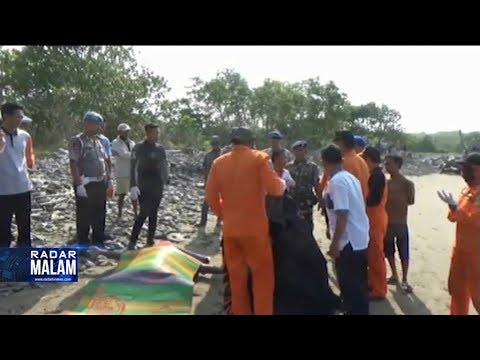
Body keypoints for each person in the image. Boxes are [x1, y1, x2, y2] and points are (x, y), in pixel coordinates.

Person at [206, 127, 286, 315]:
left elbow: (210, 197)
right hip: (255, 232)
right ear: (251, 142)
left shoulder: (218, 163)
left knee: (237, 283)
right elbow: (273, 188)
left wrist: (225, 215)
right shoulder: (260, 158)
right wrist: (282, 183)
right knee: (263, 281)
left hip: (231, 231)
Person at [322, 144, 370, 315]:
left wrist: (335, 243)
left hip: (348, 242)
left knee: (351, 288)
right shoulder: (350, 178)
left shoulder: (337, 182)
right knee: (358, 287)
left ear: (325, 163)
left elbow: (343, 214)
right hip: (359, 239)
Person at [437, 152, 480, 315]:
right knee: (456, 287)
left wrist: (456, 208)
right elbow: (454, 217)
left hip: (476, 252)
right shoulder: (467, 189)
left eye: (466, 168)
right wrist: (453, 207)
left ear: (477, 170)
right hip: (461, 249)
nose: (463, 172)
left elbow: (475, 220)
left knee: (477, 293)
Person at [68, 111, 114, 248]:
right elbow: (73, 163)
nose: (99, 128)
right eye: (97, 125)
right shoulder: (78, 141)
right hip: (86, 183)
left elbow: (105, 160)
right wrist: (79, 184)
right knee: (84, 214)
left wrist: (109, 179)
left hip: (100, 182)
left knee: (100, 212)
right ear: (88, 124)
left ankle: (98, 239)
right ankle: (83, 241)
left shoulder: (99, 141)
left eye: (100, 125)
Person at [128, 124, 169, 250]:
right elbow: (132, 166)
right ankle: (132, 241)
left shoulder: (160, 148)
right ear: (148, 133)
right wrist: (133, 185)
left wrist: (166, 177)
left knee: (154, 213)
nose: (157, 135)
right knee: (143, 212)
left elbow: (164, 164)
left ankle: (150, 240)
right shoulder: (139, 147)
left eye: (158, 133)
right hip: (143, 185)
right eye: (155, 133)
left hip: (157, 184)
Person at [0, 102, 35, 248]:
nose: (20, 120)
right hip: (3, 190)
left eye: (22, 117)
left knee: (25, 226)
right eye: (18, 116)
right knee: (3, 229)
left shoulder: (25, 136)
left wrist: (32, 166)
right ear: (7, 116)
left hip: (23, 187)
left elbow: (30, 156)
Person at [384, 155, 415, 293]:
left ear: (398, 165)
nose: (386, 166)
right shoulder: (385, 183)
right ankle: (395, 274)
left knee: (403, 251)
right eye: (386, 164)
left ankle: (405, 278)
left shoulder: (407, 183)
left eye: (389, 164)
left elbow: (411, 201)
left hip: (400, 222)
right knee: (389, 249)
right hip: (387, 221)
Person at [361, 146, 388, 300]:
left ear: (369, 160)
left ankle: (380, 289)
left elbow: (373, 200)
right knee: (371, 255)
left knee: (376, 256)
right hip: (373, 218)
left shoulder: (377, 176)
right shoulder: (374, 174)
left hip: (375, 220)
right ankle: (373, 283)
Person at [286, 141, 321, 232]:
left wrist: (321, 201)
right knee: (292, 228)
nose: (300, 152)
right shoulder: (288, 167)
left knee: (307, 228)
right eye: (298, 150)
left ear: (306, 151)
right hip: (291, 203)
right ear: (294, 152)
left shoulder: (312, 167)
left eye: (302, 150)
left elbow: (316, 185)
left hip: (306, 203)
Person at [111, 123, 137, 219]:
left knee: (134, 193)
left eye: (127, 131)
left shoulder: (132, 142)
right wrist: (134, 155)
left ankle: (135, 213)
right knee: (122, 194)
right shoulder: (115, 142)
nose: (127, 133)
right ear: (120, 132)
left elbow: (131, 154)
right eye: (125, 131)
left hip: (132, 171)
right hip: (122, 172)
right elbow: (123, 155)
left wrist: (133, 155)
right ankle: (119, 214)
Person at [198, 136, 222, 228]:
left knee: (220, 202)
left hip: (221, 182)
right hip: (210, 182)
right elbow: (205, 169)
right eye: (213, 144)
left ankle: (219, 221)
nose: (215, 145)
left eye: (216, 143)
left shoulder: (223, 154)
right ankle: (203, 222)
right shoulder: (208, 155)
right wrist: (205, 182)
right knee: (206, 203)